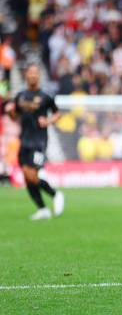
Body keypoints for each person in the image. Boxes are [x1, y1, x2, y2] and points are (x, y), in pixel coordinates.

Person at [5, 64, 64, 220]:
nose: (32, 75)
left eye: (35, 73)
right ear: (26, 75)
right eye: (30, 72)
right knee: (26, 176)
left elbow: (58, 114)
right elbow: (15, 117)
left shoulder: (46, 96)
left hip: (39, 141)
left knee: (32, 175)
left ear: (38, 76)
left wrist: (49, 120)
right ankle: (42, 209)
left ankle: (56, 194)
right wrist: (10, 112)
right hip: (24, 140)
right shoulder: (20, 96)